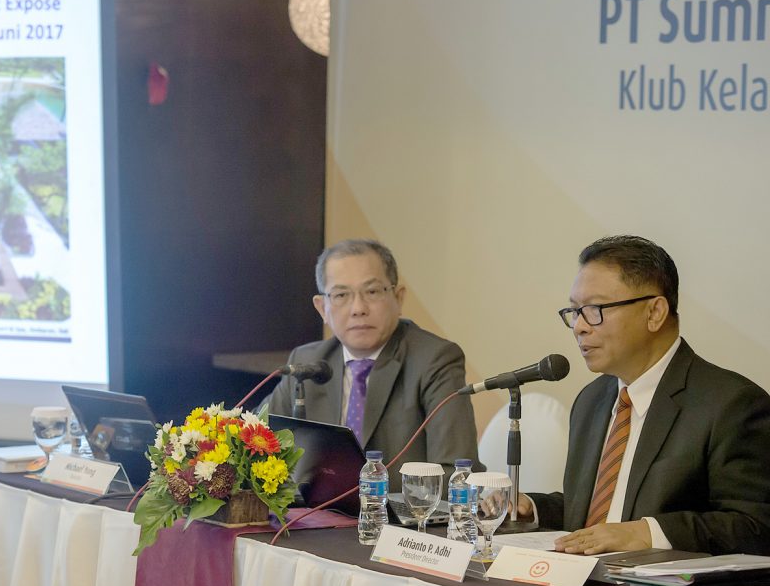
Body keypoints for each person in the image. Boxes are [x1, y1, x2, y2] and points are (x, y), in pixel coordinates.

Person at [519, 235, 770, 555]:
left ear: (655, 312)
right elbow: (606, 510)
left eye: (594, 309)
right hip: (585, 578)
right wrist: (533, 508)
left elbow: (755, 526)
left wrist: (648, 533)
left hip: (661, 583)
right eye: (575, 311)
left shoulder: (732, 404)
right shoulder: (592, 400)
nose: (579, 326)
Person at [265, 239, 481, 489]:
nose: (358, 308)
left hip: (401, 512)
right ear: (322, 308)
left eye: (372, 292)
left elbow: (456, 473)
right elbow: (255, 445)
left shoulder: (435, 360)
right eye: (341, 295)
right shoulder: (305, 364)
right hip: (316, 511)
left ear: (398, 298)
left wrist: (366, 494)